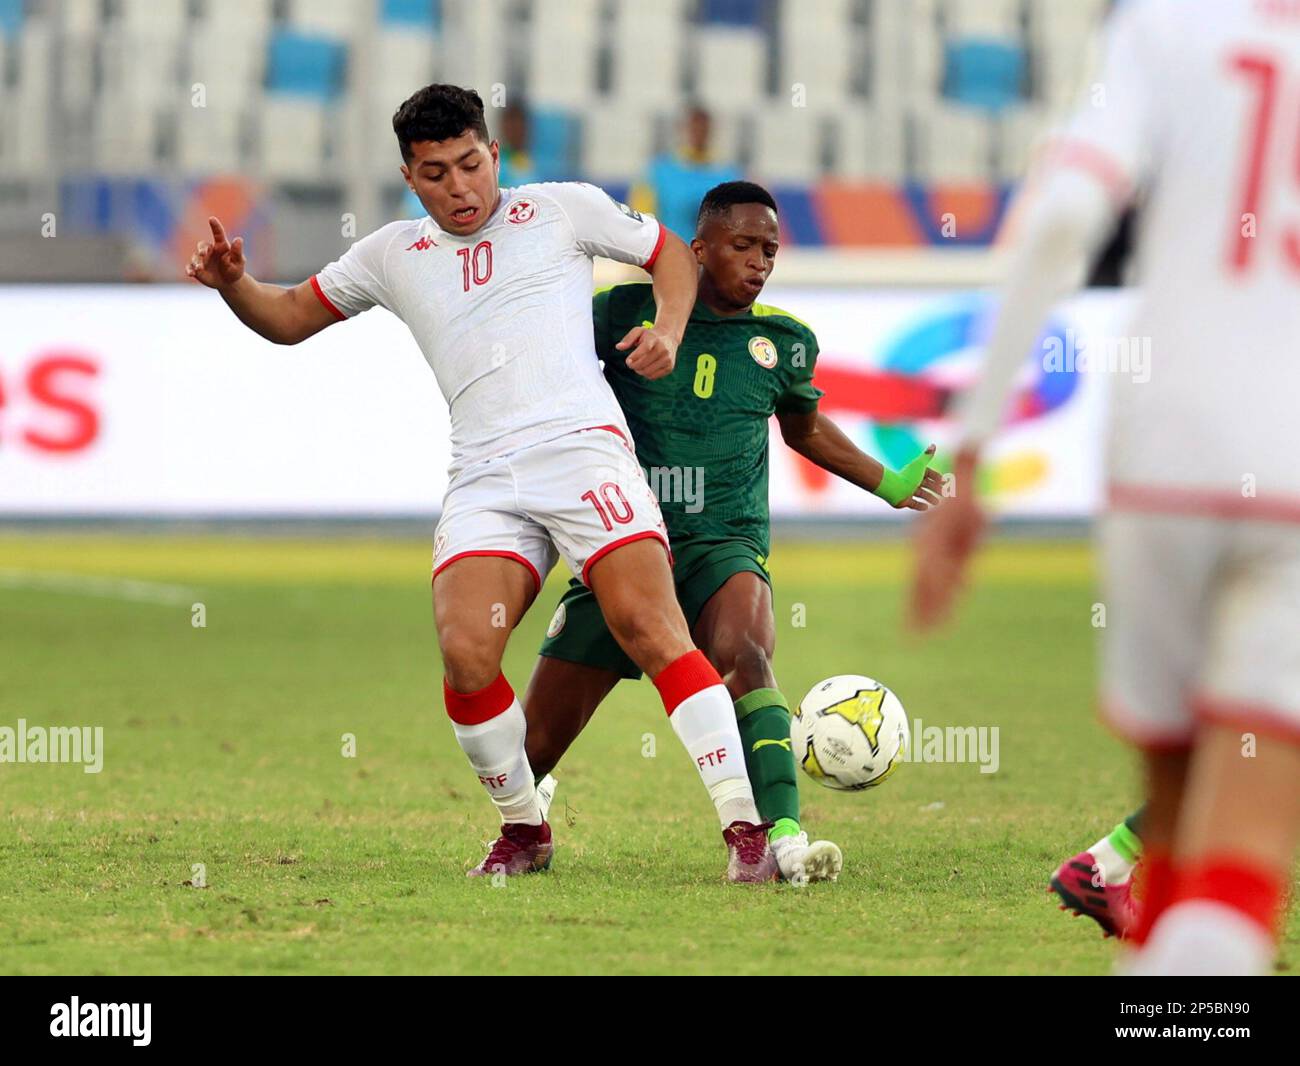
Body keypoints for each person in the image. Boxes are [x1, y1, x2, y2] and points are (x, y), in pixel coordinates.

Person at [185, 84, 774, 882]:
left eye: (470, 165)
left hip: (584, 453)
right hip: (487, 475)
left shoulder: (561, 210)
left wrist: (669, 330)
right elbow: (289, 317)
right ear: (409, 175)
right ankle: (525, 830)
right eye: (436, 174)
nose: (459, 188)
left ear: (494, 155)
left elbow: (668, 250)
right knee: (466, 653)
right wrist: (234, 289)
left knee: (649, 626)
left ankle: (745, 832)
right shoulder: (391, 254)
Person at [911, 0, 1300, 974]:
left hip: (1161, 453)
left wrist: (969, 452)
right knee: (1240, 862)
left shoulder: (1164, 28)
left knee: (1175, 837)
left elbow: (1061, 220)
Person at [523, 181, 943, 882]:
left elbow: (805, 429)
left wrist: (889, 483)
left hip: (726, 543)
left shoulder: (783, 340)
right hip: (626, 546)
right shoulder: (617, 314)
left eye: (770, 249)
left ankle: (782, 838)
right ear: (699, 250)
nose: (758, 262)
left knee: (746, 654)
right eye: (742, 245)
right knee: (524, 751)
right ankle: (528, 818)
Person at [633, 105, 742, 242]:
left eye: (703, 128)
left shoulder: (729, 176)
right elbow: (641, 225)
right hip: (671, 258)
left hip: (712, 260)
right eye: (694, 128)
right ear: (682, 129)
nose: (699, 133)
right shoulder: (657, 174)